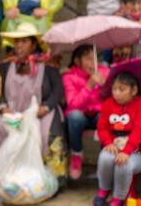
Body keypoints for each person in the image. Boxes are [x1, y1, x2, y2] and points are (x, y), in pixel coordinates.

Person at [0, 23, 67, 183]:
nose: (19, 45)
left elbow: (58, 91)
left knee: (47, 130)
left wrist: (46, 107)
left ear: (34, 44)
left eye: (24, 41)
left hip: (39, 113)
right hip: (11, 113)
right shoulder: (5, 65)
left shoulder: (48, 65)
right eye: (17, 42)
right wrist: (3, 108)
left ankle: (52, 177)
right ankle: (0, 175)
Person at [93, 72, 141, 206]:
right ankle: (104, 190)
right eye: (114, 88)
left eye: (122, 89)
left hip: (137, 152)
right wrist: (108, 142)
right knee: (105, 157)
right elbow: (102, 127)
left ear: (134, 90)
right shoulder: (108, 104)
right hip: (114, 146)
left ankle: (119, 197)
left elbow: (139, 130)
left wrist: (126, 151)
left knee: (124, 164)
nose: (116, 93)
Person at [62, 44, 110, 181]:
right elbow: (73, 104)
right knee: (75, 116)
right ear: (77, 61)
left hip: (98, 115)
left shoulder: (105, 72)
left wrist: (105, 86)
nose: (93, 63)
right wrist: (89, 85)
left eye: (94, 58)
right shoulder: (69, 77)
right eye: (88, 59)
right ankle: (76, 155)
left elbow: (112, 101)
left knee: (105, 117)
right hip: (80, 117)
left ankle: (103, 163)